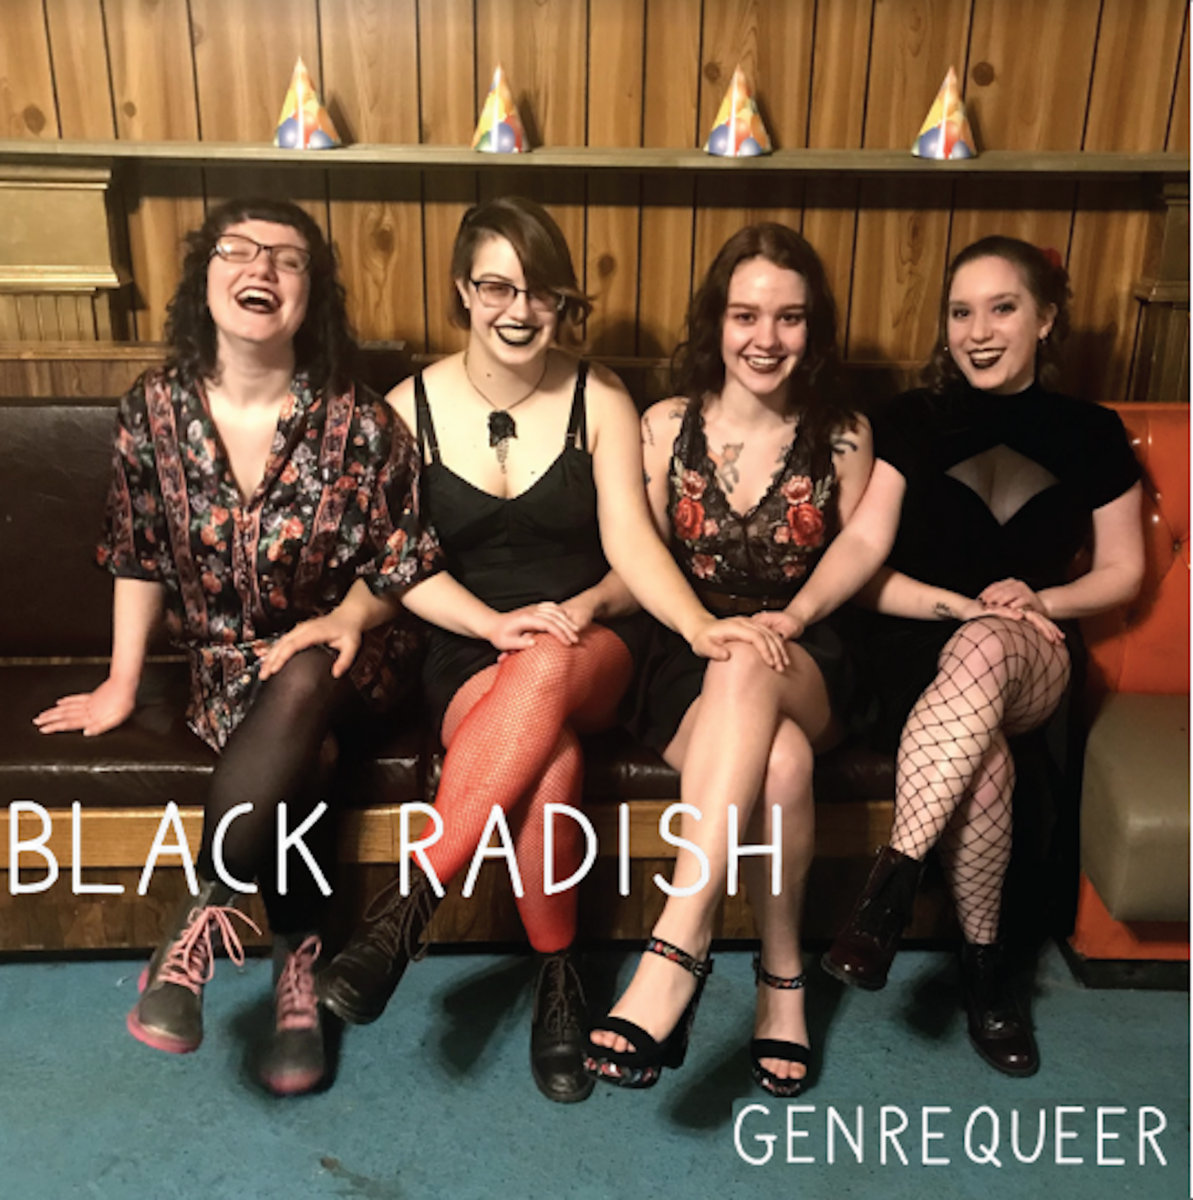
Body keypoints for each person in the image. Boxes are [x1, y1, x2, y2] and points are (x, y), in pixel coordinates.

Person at [261, 196, 788, 1104]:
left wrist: (687, 626)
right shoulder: (405, 408)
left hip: (592, 641)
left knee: (544, 666)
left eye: (540, 291)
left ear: (560, 303)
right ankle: (561, 977)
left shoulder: (600, 397)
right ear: (464, 291)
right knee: (548, 759)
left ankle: (407, 907)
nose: (518, 310)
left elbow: (633, 547)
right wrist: (444, 621)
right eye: (497, 287)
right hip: (467, 648)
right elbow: (396, 564)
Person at [34, 198, 443, 1096]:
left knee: (307, 677)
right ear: (206, 277)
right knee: (307, 754)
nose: (261, 268)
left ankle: (201, 914)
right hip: (226, 670)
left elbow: (401, 565)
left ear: (311, 294)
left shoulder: (361, 420)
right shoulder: (153, 410)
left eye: (287, 259)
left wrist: (346, 619)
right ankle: (299, 966)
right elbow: (137, 553)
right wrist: (121, 682)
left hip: (353, 656)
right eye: (238, 250)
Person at [585, 223, 898, 1095]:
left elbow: (855, 555)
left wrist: (790, 616)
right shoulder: (662, 426)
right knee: (781, 765)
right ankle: (781, 979)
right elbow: (635, 555)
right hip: (688, 653)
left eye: (789, 318)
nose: (766, 338)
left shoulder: (843, 435)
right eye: (745, 315)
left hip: (806, 650)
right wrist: (593, 610)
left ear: (813, 328)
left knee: (751, 661)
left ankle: (678, 940)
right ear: (715, 322)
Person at [821, 236, 1144, 1077]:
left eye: (1002, 308)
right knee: (988, 762)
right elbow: (865, 568)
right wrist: (961, 606)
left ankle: (888, 889)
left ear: (1045, 319)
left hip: (1032, 649)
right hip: (916, 650)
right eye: (960, 312)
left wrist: (1039, 601)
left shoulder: (1090, 432)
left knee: (988, 646)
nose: (978, 331)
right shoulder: (906, 420)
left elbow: (1123, 571)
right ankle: (987, 974)